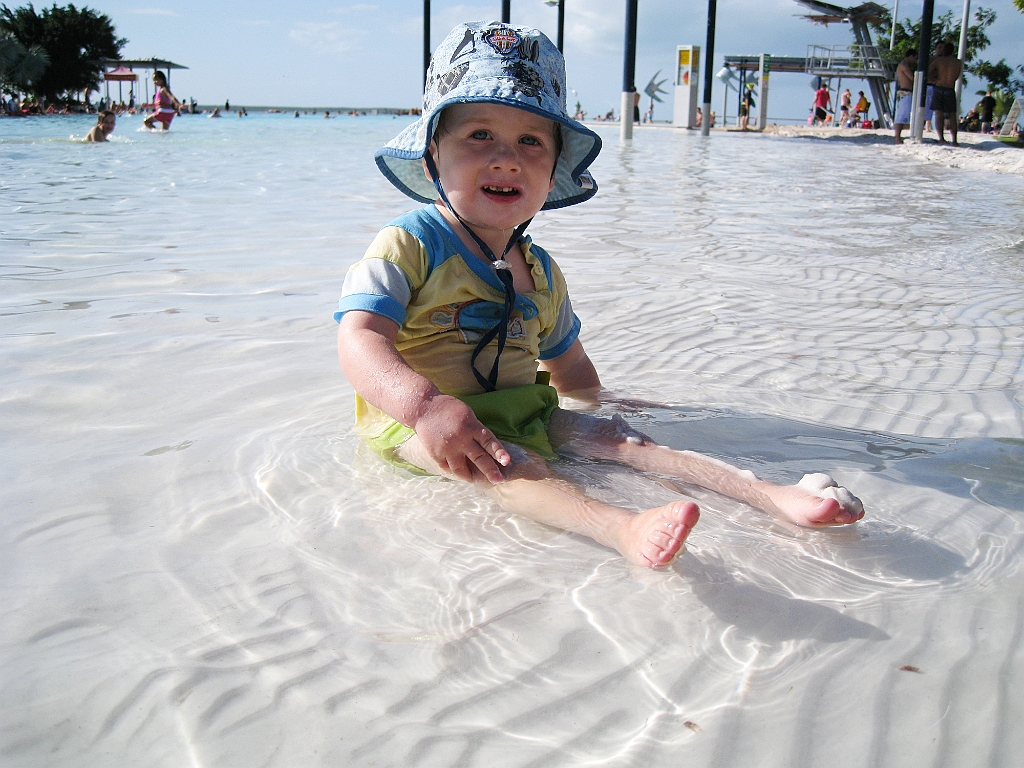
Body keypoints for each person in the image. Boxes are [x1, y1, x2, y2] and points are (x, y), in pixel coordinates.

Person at [335, 23, 865, 570]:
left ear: (553, 173)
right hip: (418, 425)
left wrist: (603, 405)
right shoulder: (408, 245)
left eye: (531, 142)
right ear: (431, 157)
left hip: (521, 410)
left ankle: (771, 495)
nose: (506, 158)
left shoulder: (541, 273)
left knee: (625, 440)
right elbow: (359, 338)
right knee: (508, 466)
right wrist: (424, 406)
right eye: (479, 135)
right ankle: (620, 527)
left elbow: (570, 368)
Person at [928, 41, 962, 145]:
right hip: (949, 88)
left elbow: (928, 71)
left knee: (939, 115)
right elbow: (956, 76)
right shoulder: (957, 62)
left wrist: (934, 80)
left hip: (939, 87)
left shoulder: (939, 61)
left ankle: (941, 139)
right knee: (952, 116)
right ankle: (954, 140)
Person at [893, 49, 918, 144]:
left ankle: (898, 137)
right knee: (901, 115)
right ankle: (897, 138)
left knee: (904, 115)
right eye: (915, 58)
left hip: (905, 92)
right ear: (911, 56)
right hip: (905, 92)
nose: (915, 61)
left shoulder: (903, 65)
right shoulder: (903, 66)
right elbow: (912, 78)